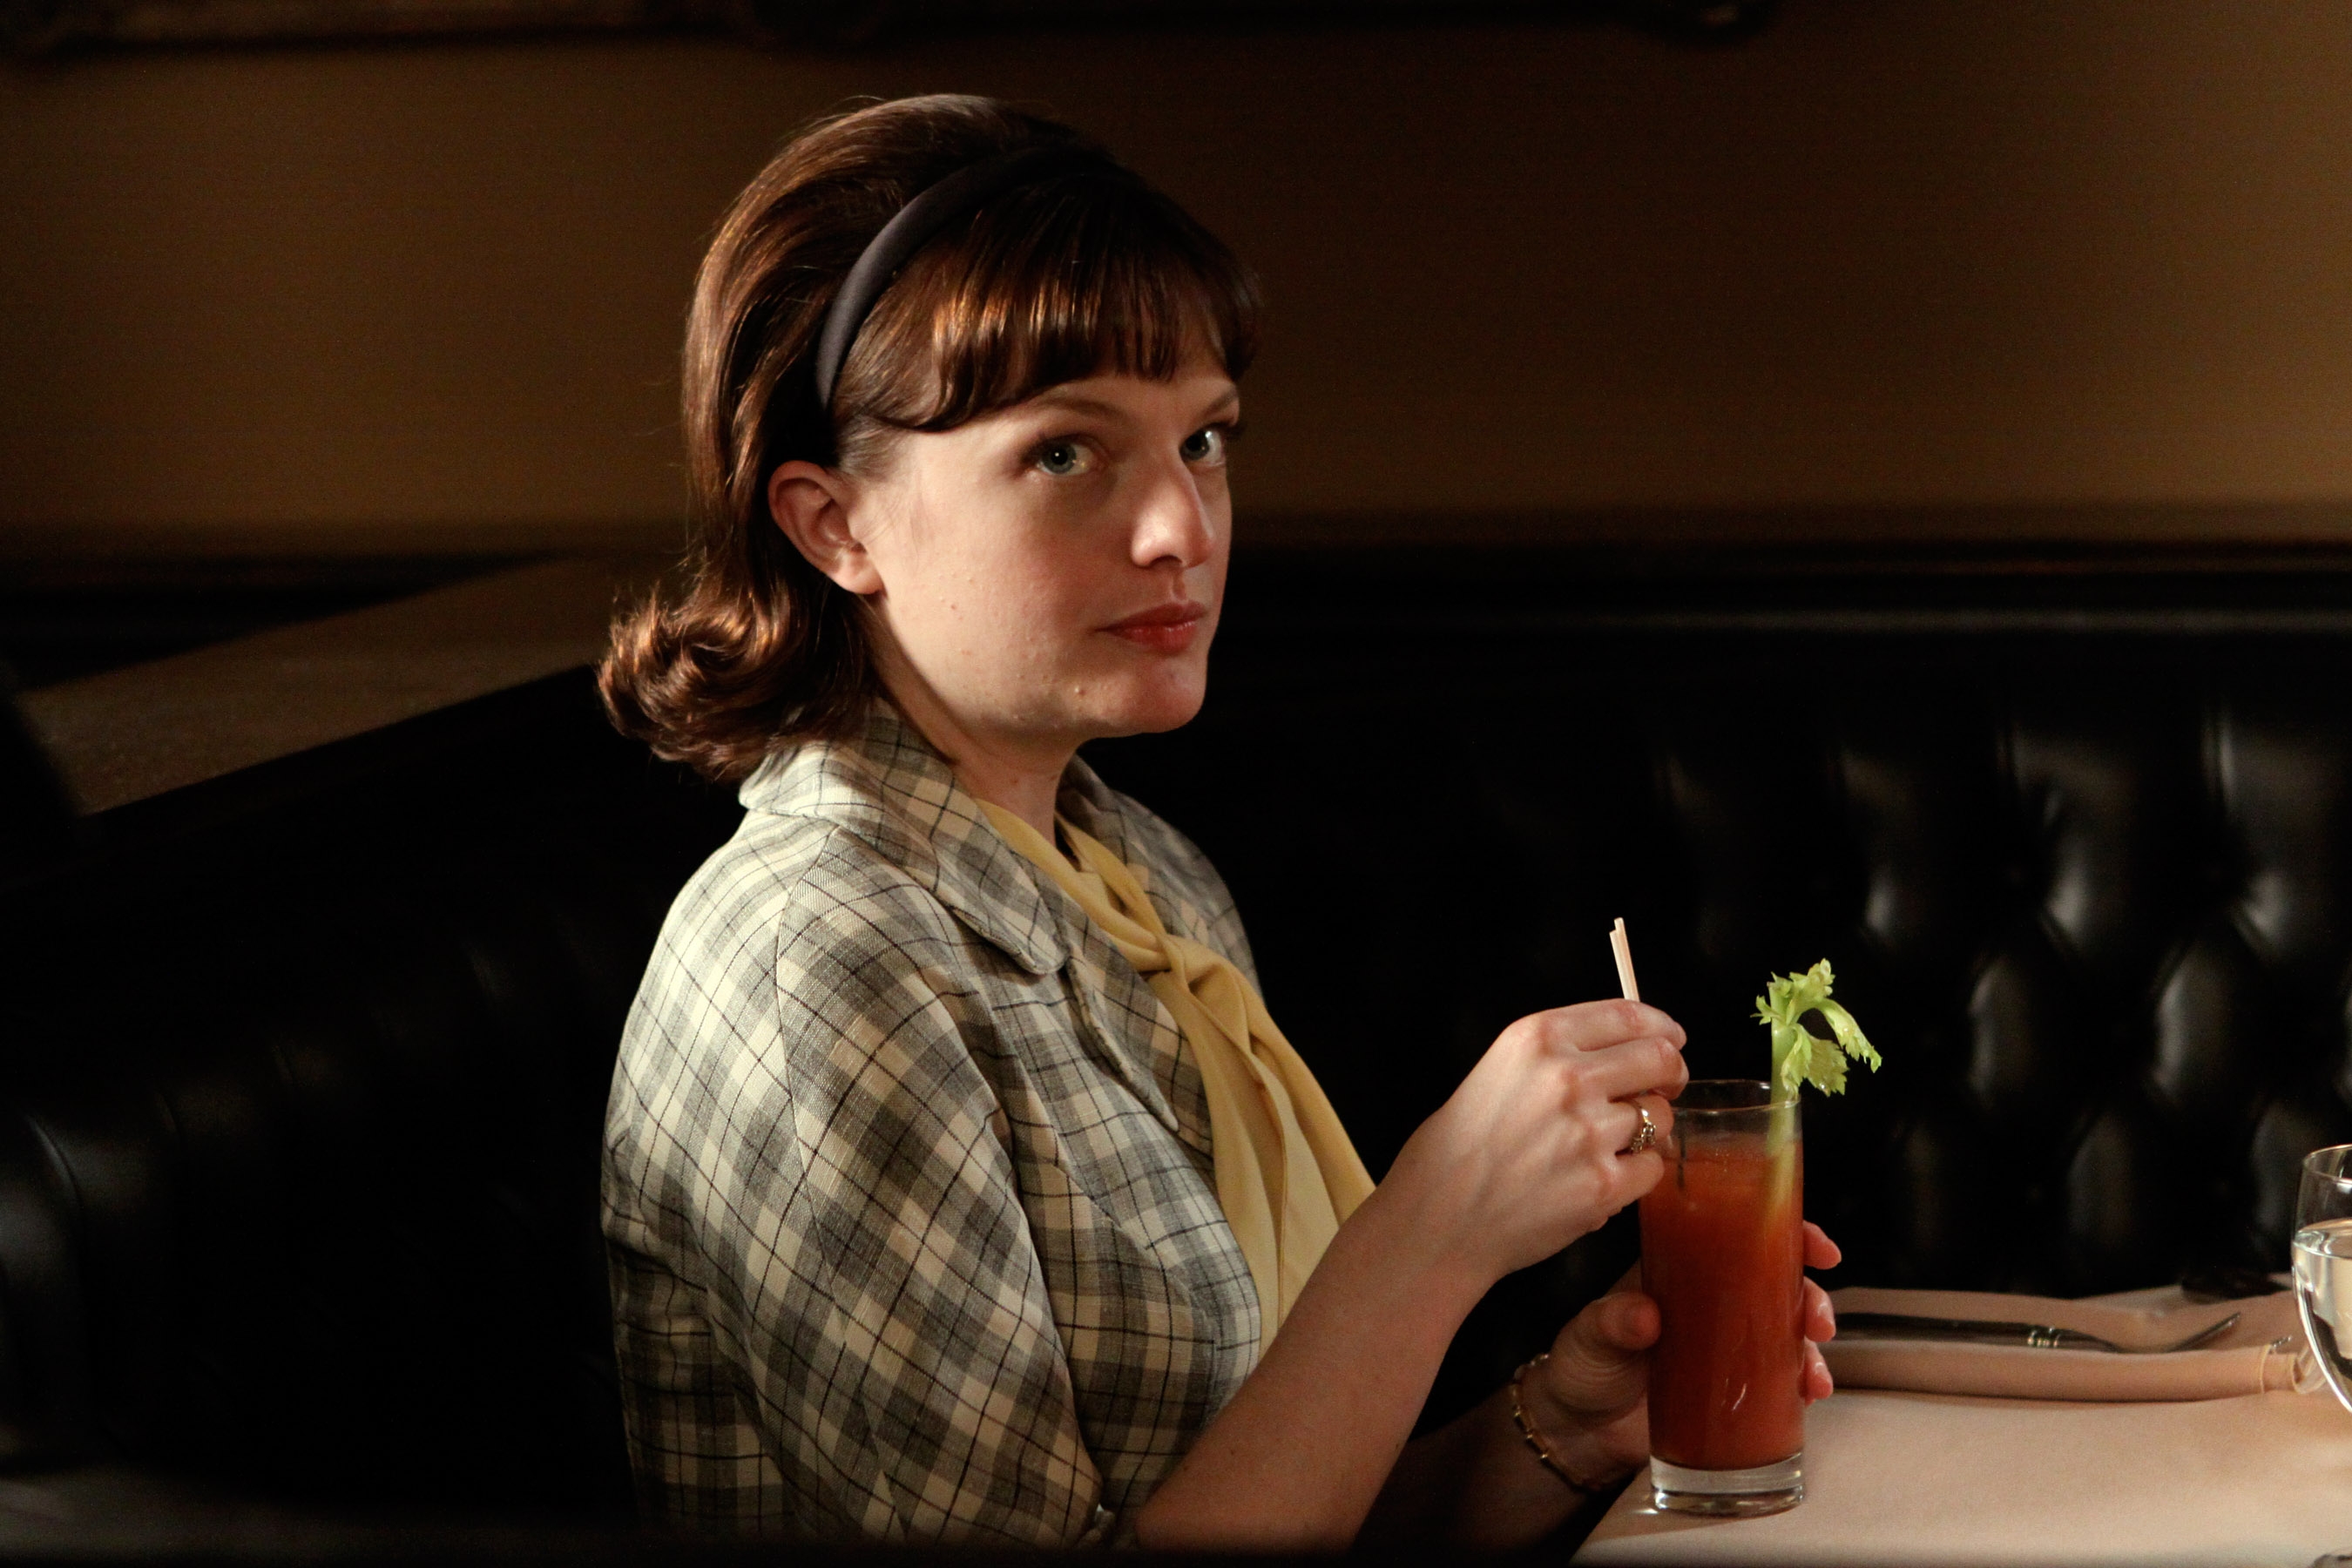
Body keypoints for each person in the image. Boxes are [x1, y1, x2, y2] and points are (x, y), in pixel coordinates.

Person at [597, 92, 1838, 1551]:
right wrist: (1427, 1238)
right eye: (1066, 452)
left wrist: (1557, 1429)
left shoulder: (1140, 876)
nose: (1182, 526)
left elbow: (1297, 1521)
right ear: (835, 526)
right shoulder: (824, 964)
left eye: (1204, 441)